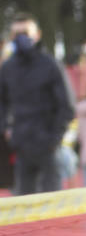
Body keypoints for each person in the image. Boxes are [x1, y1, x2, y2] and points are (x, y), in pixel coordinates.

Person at [0, 13, 76, 195]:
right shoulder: (8, 68)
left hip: (48, 149)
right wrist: (7, 130)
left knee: (51, 210)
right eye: (16, 34)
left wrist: (54, 139)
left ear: (37, 35)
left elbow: (67, 106)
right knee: (22, 211)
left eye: (25, 32)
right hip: (20, 150)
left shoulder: (51, 65)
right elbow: (2, 103)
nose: (21, 37)